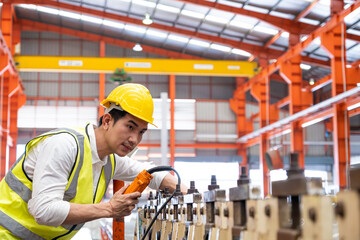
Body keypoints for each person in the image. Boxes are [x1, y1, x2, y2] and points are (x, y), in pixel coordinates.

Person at [0, 83, 185, 240]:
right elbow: (44, 210)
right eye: (130, 127)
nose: (134, 139)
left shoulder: (110, 159)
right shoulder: (65, 145)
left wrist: (190, 193)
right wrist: (110, 208)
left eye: (141, 132)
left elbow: (151, 174)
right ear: (107, 120)